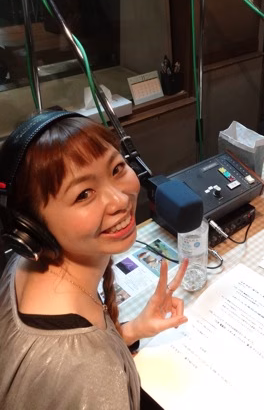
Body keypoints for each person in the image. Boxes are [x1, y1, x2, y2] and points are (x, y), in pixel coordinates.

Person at [0, 111, 189, 410]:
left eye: (116, 168)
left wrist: (133, 330)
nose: (120, 200)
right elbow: (82, 370)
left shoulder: (24, 265)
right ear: (32, 226)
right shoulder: (90, 371)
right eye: (84, 194)